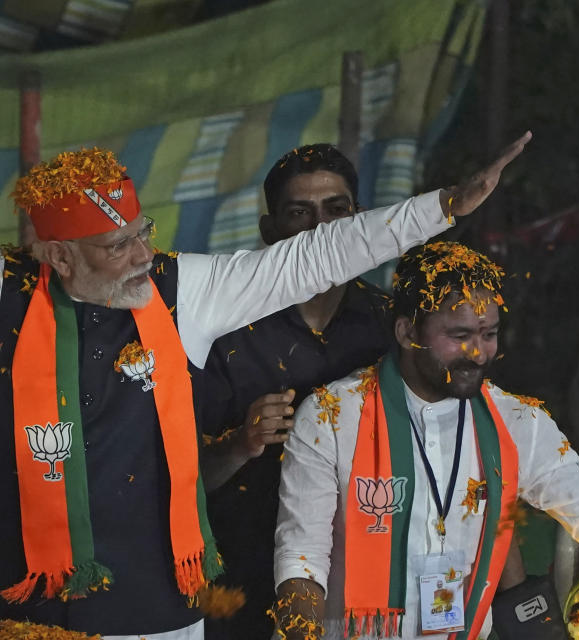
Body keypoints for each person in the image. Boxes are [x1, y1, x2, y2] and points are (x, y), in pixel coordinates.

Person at [0, 120, 528, 640]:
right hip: (11, 607)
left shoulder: (188, 289)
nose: (143, 253)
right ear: (58, 257)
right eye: (119, 246)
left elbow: (321, 254)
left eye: (144, 231)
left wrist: (441, 208)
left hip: (157, 606)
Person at [272, 241, 579, 639]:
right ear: (407, 332)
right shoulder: (331, 415)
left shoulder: (519, 421)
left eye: (489, 334)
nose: (478, 353)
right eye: (459, 335)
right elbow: (301, 560)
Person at [200, 144, 392, 639]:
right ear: (269, 233)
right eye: (299, 213)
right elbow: (177, 479)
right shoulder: (225, 330)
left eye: (337, 209)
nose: (321, 228)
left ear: (360, 220)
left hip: (366, 581)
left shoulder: (393, 326)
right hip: (239, 583)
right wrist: (240, 444)